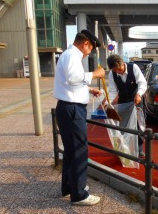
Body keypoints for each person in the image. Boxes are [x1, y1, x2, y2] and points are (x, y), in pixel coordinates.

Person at [53, 29, 105, 205]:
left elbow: (68, 82)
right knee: (79, 151)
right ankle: (79, 194)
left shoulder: (69, 55)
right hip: (73, 109)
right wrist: (95, 74)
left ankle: (70, 187)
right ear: (86, 44)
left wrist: (89, 89)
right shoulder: (72, 55)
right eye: (90, 49)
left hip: (68, 107)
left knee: (71, 151)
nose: (88, 53)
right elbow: (73, 77)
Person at [106, 54, 147, 158]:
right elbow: (113, 90)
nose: (117, 71)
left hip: (136, 100)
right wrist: (108, 102)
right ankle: (124, 149)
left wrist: (139, 94)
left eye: (119, 69)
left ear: (122, 63)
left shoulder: (134, 68)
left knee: (139, 125)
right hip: (123, 101)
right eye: (115, 70)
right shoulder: (112, 73)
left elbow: (142, 83)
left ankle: (140, 148)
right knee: (123, 125)